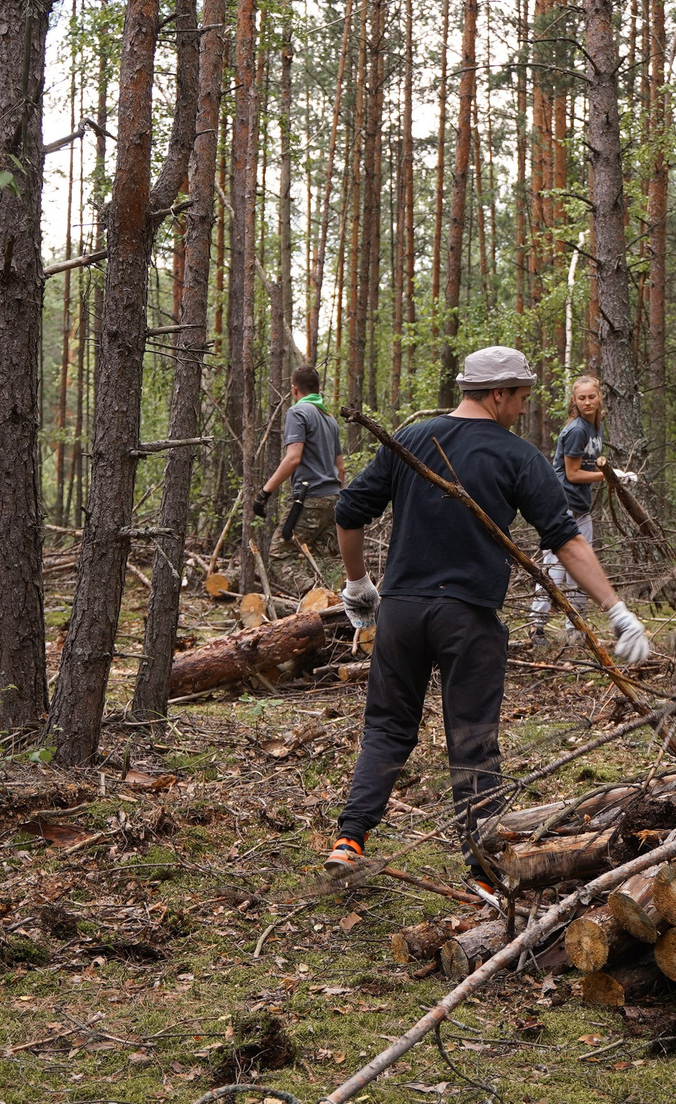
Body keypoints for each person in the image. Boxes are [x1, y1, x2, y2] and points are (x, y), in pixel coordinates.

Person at [324, 346, 654, 901]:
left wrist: (358, 584)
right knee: (473, 742)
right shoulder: (516, 456)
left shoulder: (411, 439)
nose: (524, 408)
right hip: (468, 619)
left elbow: (348, 510)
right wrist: (616, 610)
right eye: (521, 396)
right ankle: (482, 870)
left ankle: (350, 837)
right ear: (498, 393)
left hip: (402, 611)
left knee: (386, 727)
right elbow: (567, 539)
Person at [528, 375, 609, 636]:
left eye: (591, 397)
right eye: (582, 398)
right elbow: (573, 474)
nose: (587, 402)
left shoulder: (595, 426)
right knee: (554, 569)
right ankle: (536, 627)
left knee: (582, 568)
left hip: (581, 507)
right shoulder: (576, 430)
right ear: (574, 401)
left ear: (599, 398)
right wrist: (611, 475)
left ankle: (576, 631)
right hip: (562, 507)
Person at [254, 366, 344, 560]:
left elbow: (293, 458)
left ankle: (307, 590)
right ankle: (321, 591)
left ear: (294, 389)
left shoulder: (298, 412)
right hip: (333, 501)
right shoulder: (331, 420)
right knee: (321, 561)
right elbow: (341, 469)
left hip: (310, 498)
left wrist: (264, 493)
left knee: (279, 556)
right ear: (318, 390)